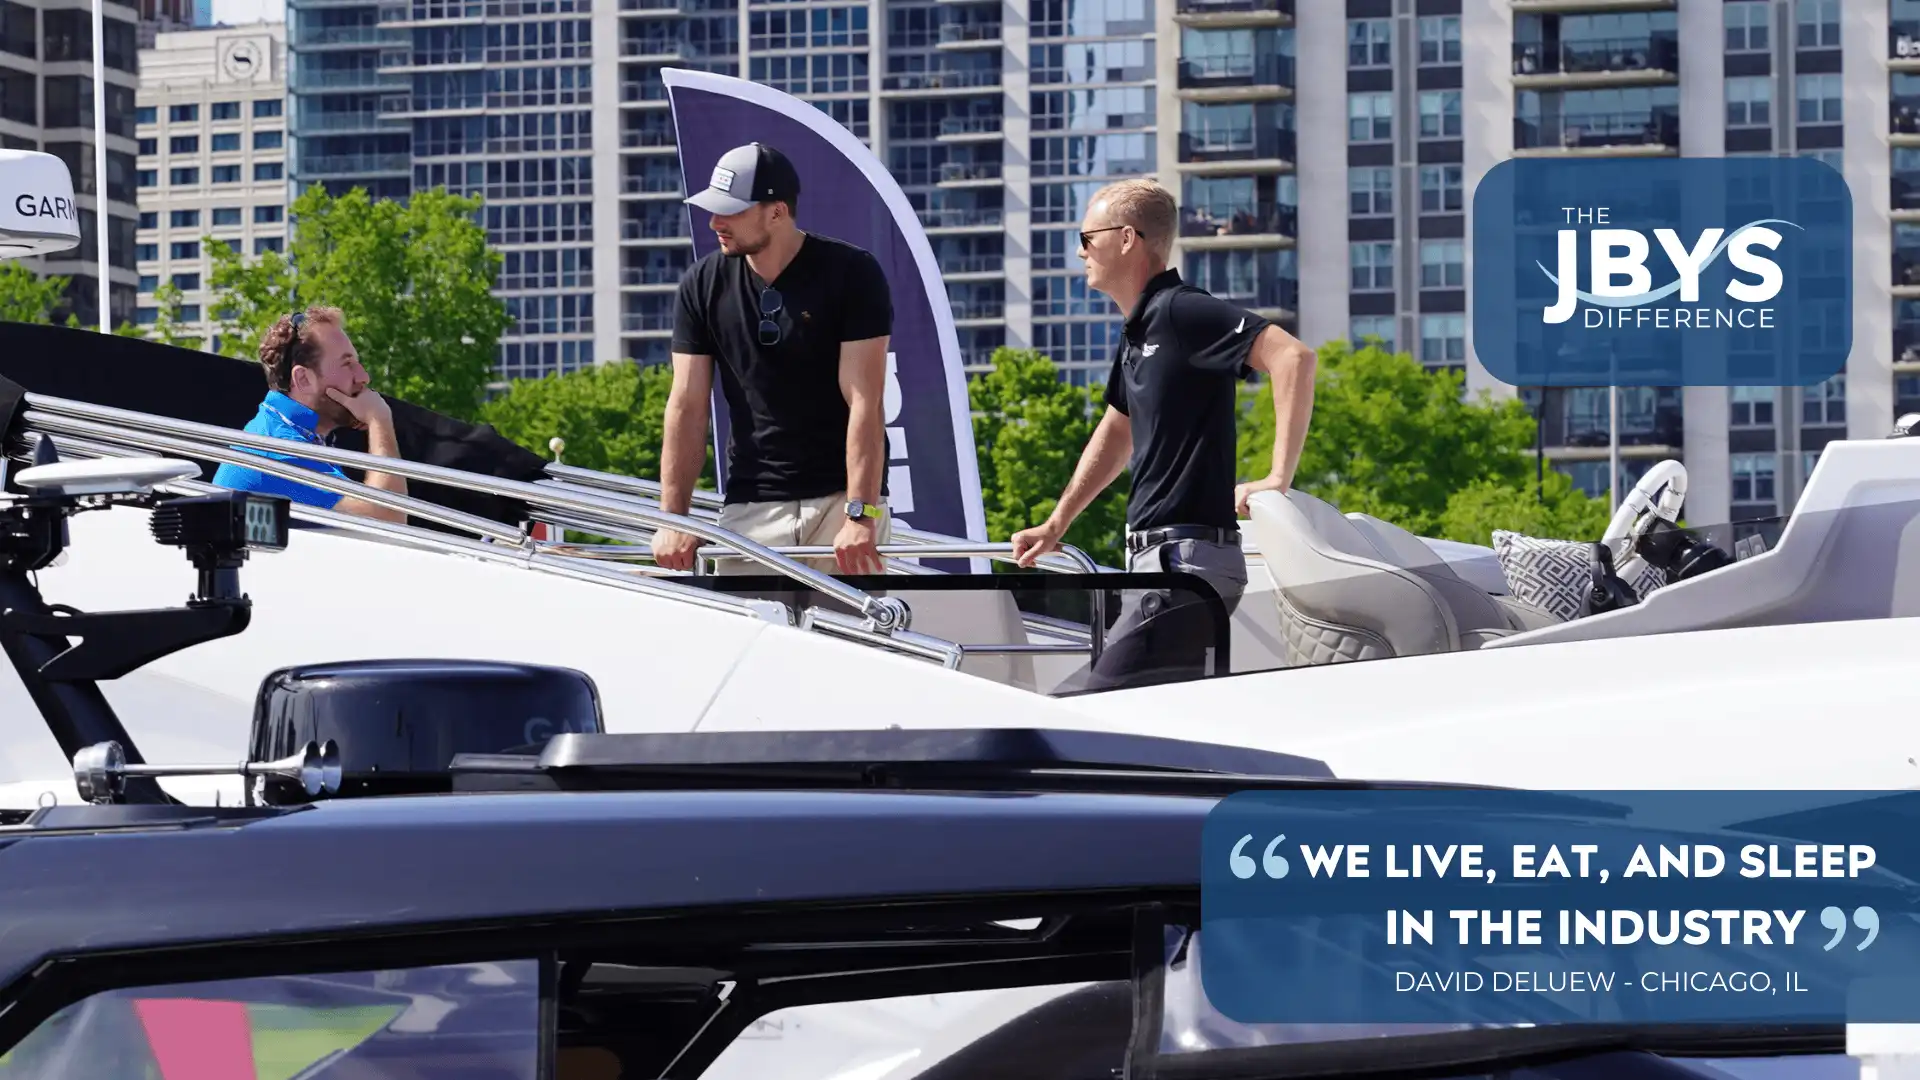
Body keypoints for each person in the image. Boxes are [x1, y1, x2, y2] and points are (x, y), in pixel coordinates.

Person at [1010, 179, 1317, 690]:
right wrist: (1056, 524)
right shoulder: (1141, 331)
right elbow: (1117, 430)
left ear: (1126, 238)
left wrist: (1276, 477)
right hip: (1157, 565)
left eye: (1087, 239)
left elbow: (1292, 356)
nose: (1080, 252)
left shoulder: (1180, 310)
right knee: (1142, 712)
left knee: (1084, 704)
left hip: (1185, 566)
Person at [653, 141, 893, 578]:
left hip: (840, 503)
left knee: (850, 625)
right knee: (748, 623)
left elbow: (865, 401)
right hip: (751, 506)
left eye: (730, 211)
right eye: (713, 209)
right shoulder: (701, 284)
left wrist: (861, 513)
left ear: (777, 212)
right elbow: (687, 407)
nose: (715, 222)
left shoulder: (852, 273)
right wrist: (673, 519)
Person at [211, 306, 410, 523]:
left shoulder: (283, 431)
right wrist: (379, 419)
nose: (363, 376)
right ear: (304, 379)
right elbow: (390, 518)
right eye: (347, 364)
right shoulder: (281, 451)